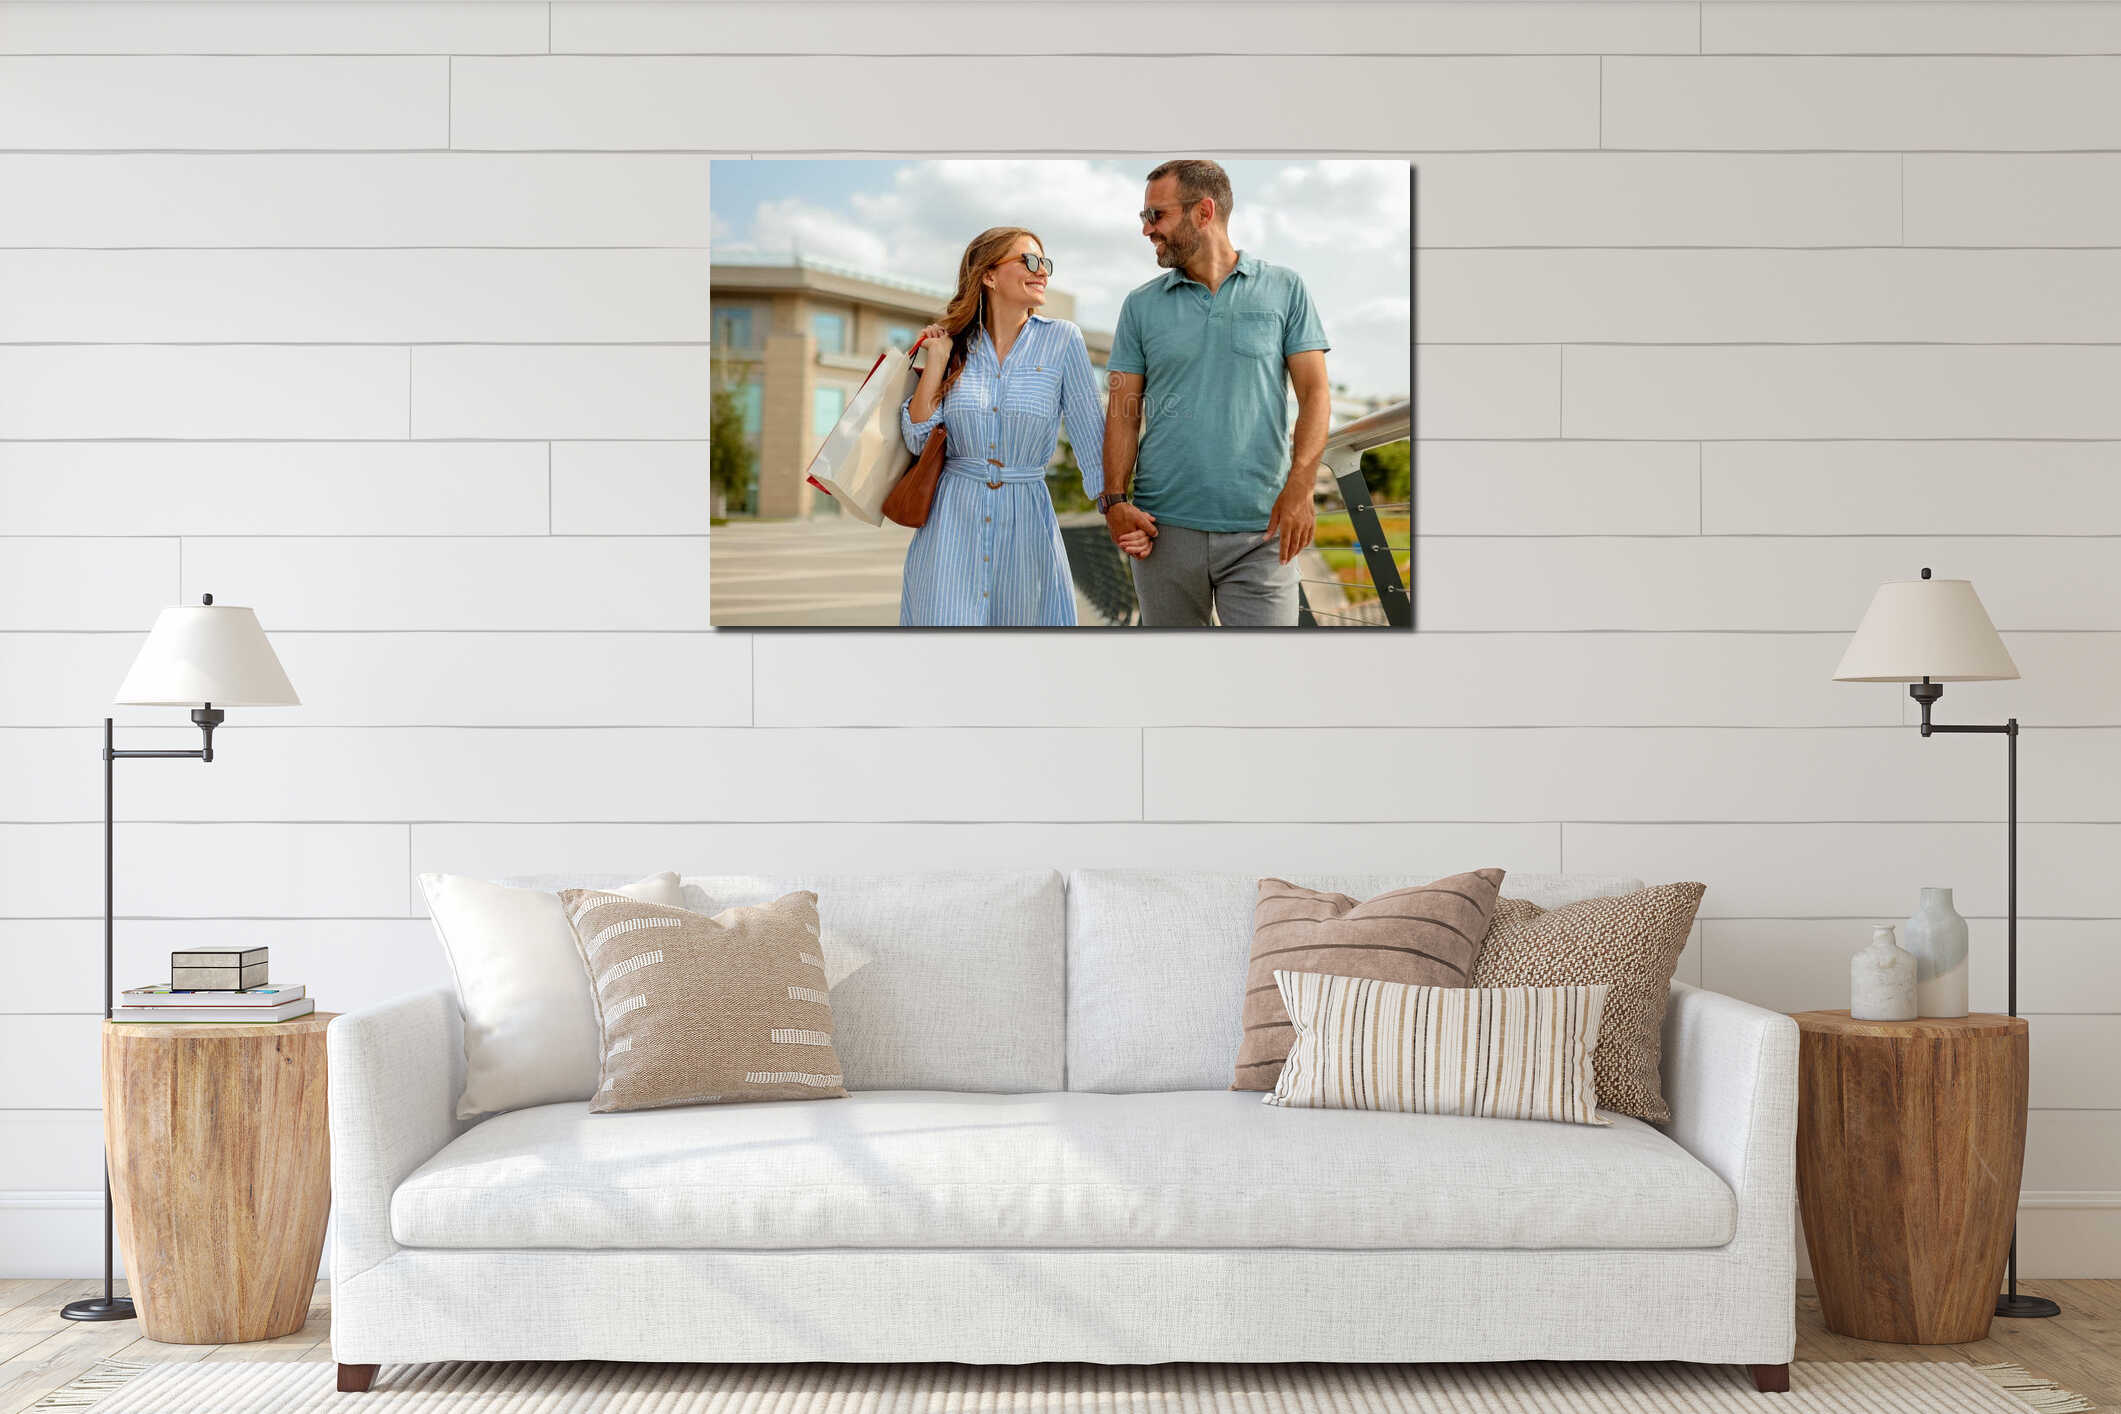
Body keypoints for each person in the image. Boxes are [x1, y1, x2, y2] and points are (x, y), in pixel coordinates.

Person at [1099, 159, 1333, 627]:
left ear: (1203, 212)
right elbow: (1123, 411)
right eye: (1145, 216)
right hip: (1161, 531)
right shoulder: (1140, 305)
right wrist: (1114, 502)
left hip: (1262, 531)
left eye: (1156, 215)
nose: (1147, 229)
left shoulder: (1285, 288)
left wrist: (1302, 485)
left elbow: (1315, 394)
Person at [898, 227, 1105, 626]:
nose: (1042, 271)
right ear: (989, 275)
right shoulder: (953, 345)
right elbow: (919, 440)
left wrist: (1116, 510)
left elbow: (1091, 440)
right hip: (950, 528)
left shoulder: (1063, 341)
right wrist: (936, 361)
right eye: (1029, 260)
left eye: (1045, 263)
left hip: (1027, 524)